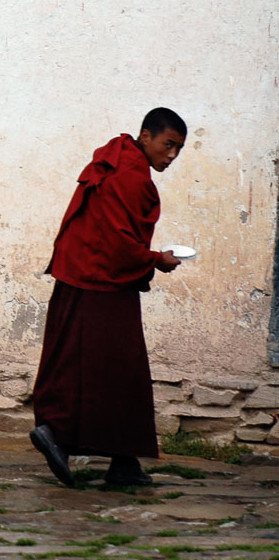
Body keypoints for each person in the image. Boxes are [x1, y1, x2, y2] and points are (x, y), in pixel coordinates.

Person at [29, 109, 187, 487]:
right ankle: (58, 435)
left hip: (79, 276)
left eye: (179, 149)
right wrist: (157, 260)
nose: (171, 156)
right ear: (145, 136)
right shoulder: (130, 175)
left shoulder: (116, 157)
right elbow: (120, 245)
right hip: (101, 282)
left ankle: (123, 462)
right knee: (113, 371)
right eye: (167, 145)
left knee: (100, 370)